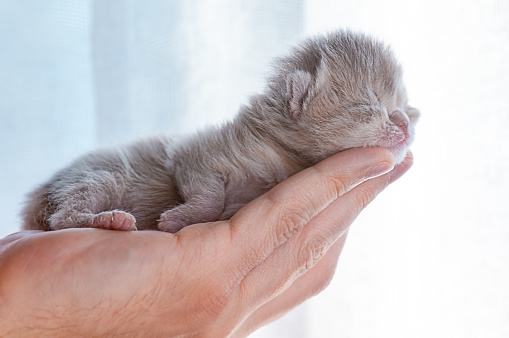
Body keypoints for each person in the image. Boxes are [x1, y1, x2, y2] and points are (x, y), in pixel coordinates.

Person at [0, 147, 412, 337]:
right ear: (298, 97)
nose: (401, 123)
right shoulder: (247, 142)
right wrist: (31, 308)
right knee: (98, 182)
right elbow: (194, 162)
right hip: (102, 193)